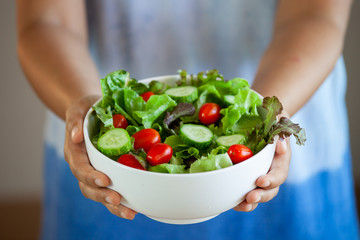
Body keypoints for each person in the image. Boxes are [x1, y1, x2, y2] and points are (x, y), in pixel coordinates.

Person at [16, 0, 359, 239]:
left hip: (291, 104)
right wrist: (83, 106)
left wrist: (266, 115)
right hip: (113, 173)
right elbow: (44, 21)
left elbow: (316, 15)